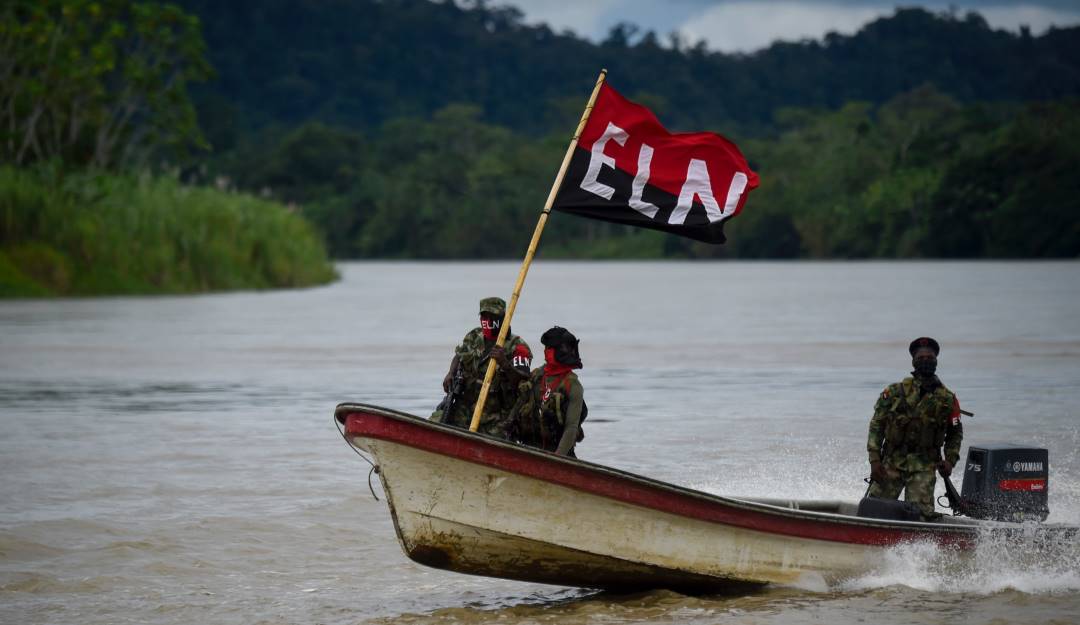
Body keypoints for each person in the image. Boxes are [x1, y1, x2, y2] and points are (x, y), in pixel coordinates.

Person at [866, 337, 963, 520]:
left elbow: (955, 433)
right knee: (874, 510)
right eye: (921, 358)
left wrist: (950, 461)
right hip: (891, 462)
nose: (925, 361)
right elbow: (876, 426)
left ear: (936, 361)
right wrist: (874, 460)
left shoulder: (948, 399)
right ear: (913, 361)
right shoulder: (894, 392)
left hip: (924, 465)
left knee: (920, 517)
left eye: (930, 358)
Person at [430, 297, 532, 439]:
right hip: (463, 407)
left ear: (504, 318)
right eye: (484, 316)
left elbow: (522, 382)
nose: (488, 320)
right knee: (435, 425)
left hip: (495, 417)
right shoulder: (474, 336)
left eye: (493, 317)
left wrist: (505, 364)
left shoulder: (518, 347)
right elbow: (460, 355)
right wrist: (450, 373)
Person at [514, 326, 586, 457]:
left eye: (549, 348)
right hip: (531, 449)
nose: (545, 351)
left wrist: (557, 458)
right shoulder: (537, 376)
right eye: (545, 348)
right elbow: (520, 403)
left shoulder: (573, 386)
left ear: (560, 351)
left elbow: (571, 428)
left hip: (559, 453)